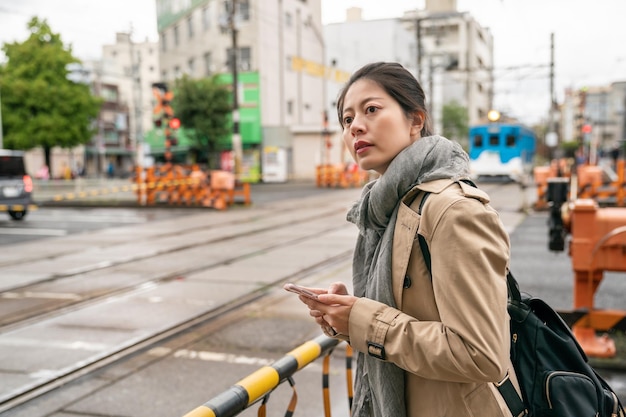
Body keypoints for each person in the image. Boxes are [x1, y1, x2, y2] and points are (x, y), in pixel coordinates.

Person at [289, 62, 517, 417]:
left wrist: (363, 320)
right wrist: (347, 320)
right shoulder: (385, 212)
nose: (356, 127)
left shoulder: (451, 209)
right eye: (347, 120)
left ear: (415, 120)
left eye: (371, 109)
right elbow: (407, 321)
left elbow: (482, 354)